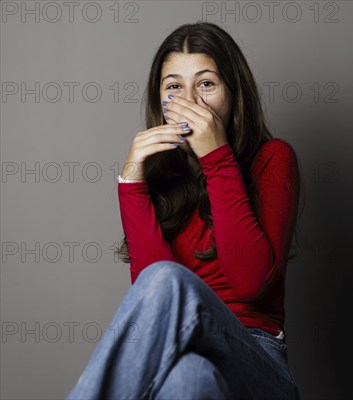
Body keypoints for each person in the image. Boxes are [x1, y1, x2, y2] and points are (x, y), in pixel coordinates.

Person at [67, 21, 302, 400]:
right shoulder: (159, 178)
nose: (190, 102)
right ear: (159, 100)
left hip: (258, 361)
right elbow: (151, 316)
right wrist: (130, 184)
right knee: (188, 378)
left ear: (233, 93)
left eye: (206, 84)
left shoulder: (272, 160)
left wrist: (217, 157)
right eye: (174, 87)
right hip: (181, 358)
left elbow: (251, 282)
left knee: (167, 281)